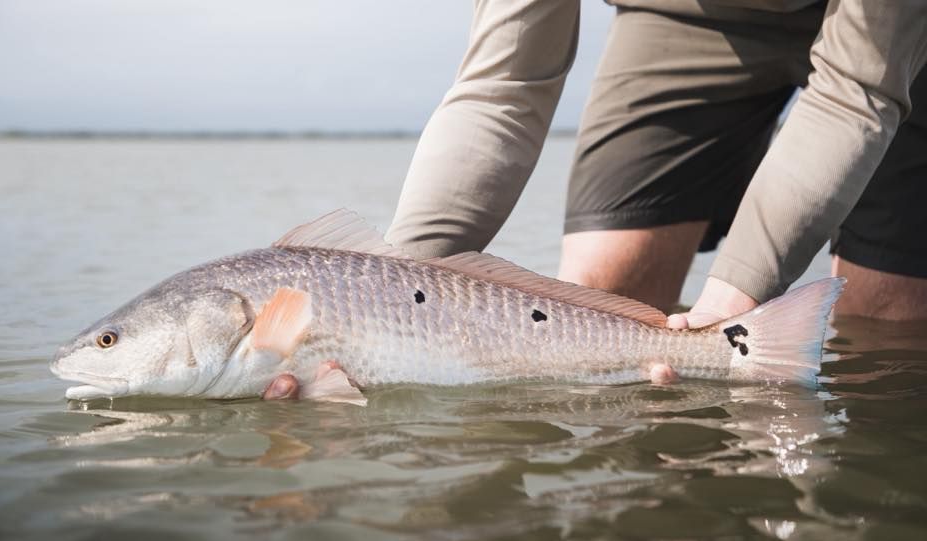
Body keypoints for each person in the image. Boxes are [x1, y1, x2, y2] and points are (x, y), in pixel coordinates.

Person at [264, 0, 927, 400]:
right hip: (683, 19)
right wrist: (387, 295)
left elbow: (855, 92)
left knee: (885, 306)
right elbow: (503, 87)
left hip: (898, 39)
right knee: (601, 287)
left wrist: (737, 302)